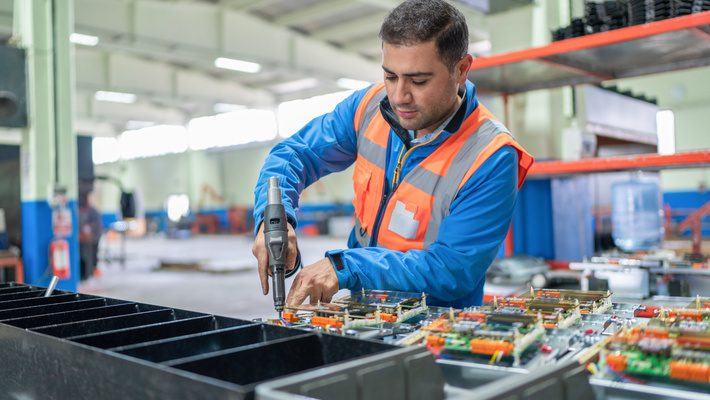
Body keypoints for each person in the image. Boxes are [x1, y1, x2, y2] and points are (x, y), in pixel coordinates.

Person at [252, 0, 533, 309]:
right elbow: (294, 154)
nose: (400, 97)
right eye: (390, 76)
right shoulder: (369, 107)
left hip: (436, 326)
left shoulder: (490, 156)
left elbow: (452, 269)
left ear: (461, 69)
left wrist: (348, 267)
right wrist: (273, 218)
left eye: (419, 80)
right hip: (365, 312)